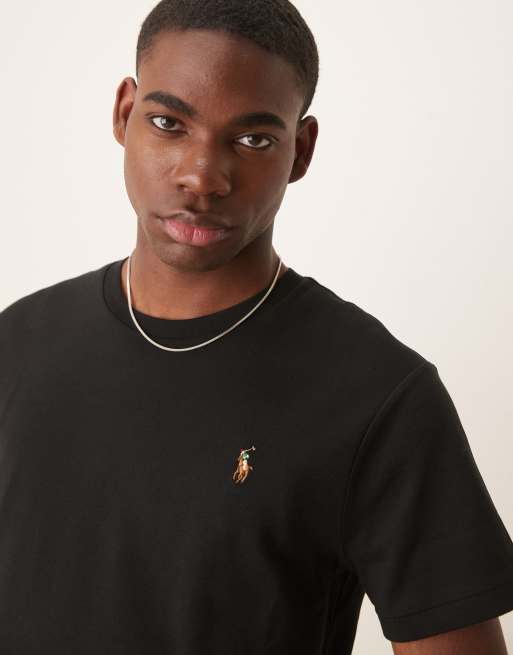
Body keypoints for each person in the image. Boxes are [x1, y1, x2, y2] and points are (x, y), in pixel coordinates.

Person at [1, 1, 512, 653]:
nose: (201, 176)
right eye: (169, 123)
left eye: (252, 140)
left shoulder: (377, 395)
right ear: (124, 114)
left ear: (301, 150)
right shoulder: (17, 344)